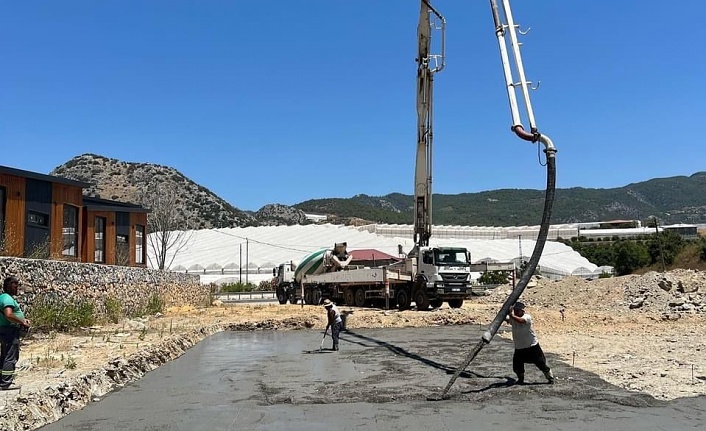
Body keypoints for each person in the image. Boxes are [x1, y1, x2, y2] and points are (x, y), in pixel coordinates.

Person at [506, 301, 554, 385]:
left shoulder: (526, 317)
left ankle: (550, 377)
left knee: (541, 363)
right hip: (519, 347)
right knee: (517, 366)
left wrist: (511, 315)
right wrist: (504, 313)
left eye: (518, 310)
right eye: (515, 310)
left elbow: (521, 321)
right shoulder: (513, 318)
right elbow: (507, 319)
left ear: (522, 311)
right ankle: (521, 379)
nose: (516, 312)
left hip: (532, 345)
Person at [1, 276, 31, 391]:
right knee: (10, 357)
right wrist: (22, 321)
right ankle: (6, 383)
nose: (18, 287)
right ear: (9, 285)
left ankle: (2, 380)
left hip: (4, 329)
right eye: (16, 285)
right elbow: (8, 314)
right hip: (9, 330)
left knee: (4, 356)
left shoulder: (3, 297)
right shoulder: (7, 299)